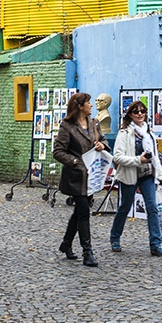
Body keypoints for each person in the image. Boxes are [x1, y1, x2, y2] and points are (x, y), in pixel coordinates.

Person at [52, 92, 108, 267]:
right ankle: (87, 252)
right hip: (76, 176)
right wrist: (75, 162)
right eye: (88, 102)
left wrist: (102, 145)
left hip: (91, 176)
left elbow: (104, 141)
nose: (91, 105)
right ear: (79, 106)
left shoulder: (94, 123)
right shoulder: (67, 126)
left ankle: (66, 244)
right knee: (84, 211)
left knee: (79, 213)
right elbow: (58, 151)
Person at [108, 100, 162, 256]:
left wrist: (160, 175)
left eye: (142, 111)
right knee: (125, 207)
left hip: (147, 174)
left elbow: (154, 156)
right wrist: (138, 160)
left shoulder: (149, 132)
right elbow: (118, 157)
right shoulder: (124, 133)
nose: (140, 114)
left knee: (152, 207)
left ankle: (155, 244)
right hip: (129, 175)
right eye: (136, 111)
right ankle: (115, 238)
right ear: (130, 115)